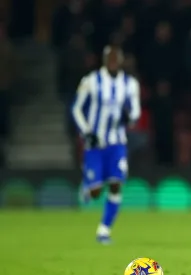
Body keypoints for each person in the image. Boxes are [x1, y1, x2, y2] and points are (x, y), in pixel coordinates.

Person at [72, 45, 141, 244]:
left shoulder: (129, 84)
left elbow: (136, 112)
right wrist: (86, 132)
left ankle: (104, 230)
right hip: (95, 143)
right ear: (104, 61)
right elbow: (77, 109)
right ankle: (87, 185)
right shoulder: (91, 81)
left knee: (116, 184)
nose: (112, 62)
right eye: (109, 59)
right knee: (95, 193)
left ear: (120, 61)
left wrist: (130, 117)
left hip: (117, 143)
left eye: (115, 59)